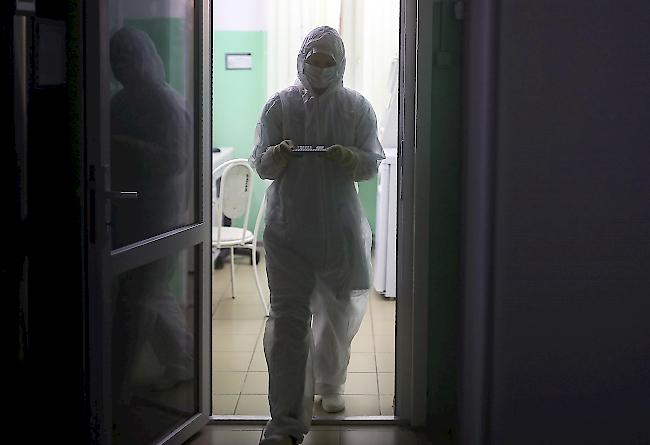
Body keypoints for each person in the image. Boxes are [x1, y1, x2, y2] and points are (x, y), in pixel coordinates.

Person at [250, 26, 385, 445]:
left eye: (329, 61)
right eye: (315, 59)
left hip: (339, 231)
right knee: (289, 322)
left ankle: (330, 383)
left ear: (341, 64)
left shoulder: (356, 108)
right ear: (301, 60)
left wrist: (352, 159)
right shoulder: (280, 106)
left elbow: (371, 164)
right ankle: (287, 421)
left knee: (337, 313)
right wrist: (277, 155)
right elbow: (261, 164)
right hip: (288, 229)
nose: (321, 68)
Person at [109, 26, 194, 443]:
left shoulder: (166, 103)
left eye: (126, 57)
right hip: (131, 209)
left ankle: (116, 393)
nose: (119, 66)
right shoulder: (119, 102)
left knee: (137, 300)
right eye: (114, 59)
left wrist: (128, 147)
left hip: (157, 215)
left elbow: (176, 160)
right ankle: (182, 360)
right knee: (150, 294)